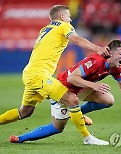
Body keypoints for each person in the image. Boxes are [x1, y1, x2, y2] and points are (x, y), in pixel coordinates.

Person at [0, 5, 110, 145]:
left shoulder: (45, 29)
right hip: (39, 75)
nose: (70, 19)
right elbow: (76, 39)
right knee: (72, 99)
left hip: (31, 73)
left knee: (25, 112)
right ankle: (87, 138)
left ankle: (75, 114)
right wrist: (98, 48)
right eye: (69, 16)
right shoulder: (64, 26)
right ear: (62, 17)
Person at [10, 40, 121, 144]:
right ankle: (20, 138)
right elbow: (71, 77)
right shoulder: (95, 61)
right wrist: (93, 86)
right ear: (110, 53)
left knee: (108, 100)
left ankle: (76, 113)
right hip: (63, 89)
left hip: (79, 89)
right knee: (57, 128)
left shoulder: (116, 68)